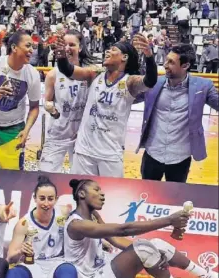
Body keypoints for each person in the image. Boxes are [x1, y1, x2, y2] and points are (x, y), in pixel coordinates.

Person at [64, 178, 217, 278]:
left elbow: (116, 240)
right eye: (96, 190)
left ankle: (206, 276)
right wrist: (169, 220)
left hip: (103, 269)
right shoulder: (76, 224)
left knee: (154, 244)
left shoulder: (93, 215)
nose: (102, 194)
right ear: (81, 194)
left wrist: (152, 250)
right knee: (144, 249)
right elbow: (123, 230)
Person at [55, 33, 158, 178]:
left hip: (110, 154)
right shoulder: (94, 74)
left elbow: (150, 81)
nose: (107, 51)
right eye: (108, 49)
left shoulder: (130, 82)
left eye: (113, 49)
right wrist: (60, 55)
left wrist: (149, 56)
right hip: (84, 151)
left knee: (110, 197)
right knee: (81, 195)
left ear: (124, 57)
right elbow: (68, 70)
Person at [137, 44, 219, 183]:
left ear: (185, 66)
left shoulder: (203, 86)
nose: (165, 65)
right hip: (152, 153)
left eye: (171, 62)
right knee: (147, 195)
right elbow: (129, 97)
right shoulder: (154, 83)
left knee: (175, 198)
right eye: (166, 60)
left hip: (180, 157)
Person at [0, 31, 41, 170]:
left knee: (13, 178)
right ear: (14, 47)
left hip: (14, 131)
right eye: (28, 46)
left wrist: (26, 130)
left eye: (33, 47)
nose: (31, 50)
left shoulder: (33, 74)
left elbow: (34, 107)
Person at [40, 30, 96, 173]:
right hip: (58, 133)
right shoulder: (53, 75)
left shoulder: (89, 73)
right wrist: (51, 109)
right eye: (65, 44)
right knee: (46, 175)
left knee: (80, 180)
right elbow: (47, 101)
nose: (68, 48)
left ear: (80, 47)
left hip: (81, 137)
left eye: (72, 44)